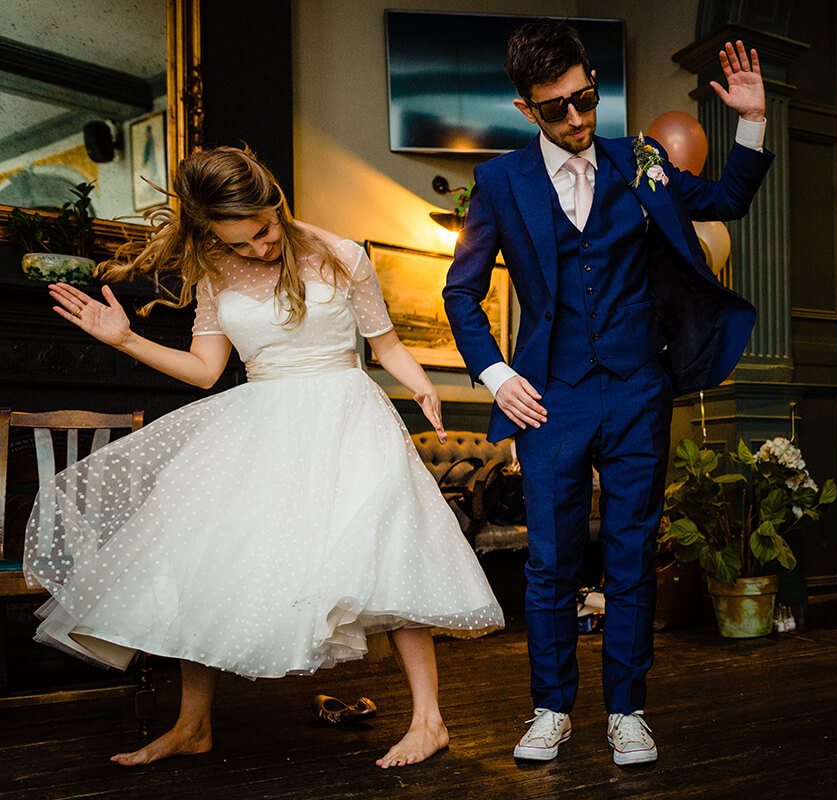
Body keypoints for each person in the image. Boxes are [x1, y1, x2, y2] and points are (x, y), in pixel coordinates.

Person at [26, 146, 503, 768]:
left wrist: (419, 382)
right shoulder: (216, 273)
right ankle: (193, 725)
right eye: (239, 242)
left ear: (275, 201)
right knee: (204, 561)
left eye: (263, 231)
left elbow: (384, 344)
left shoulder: (343, 256)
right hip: (259, 424)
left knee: (387, 555)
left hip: (347, 419)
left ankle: (429, 721)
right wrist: (126, 339)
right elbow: (204, 372)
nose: (258, 249)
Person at [443, 19, 772, 766]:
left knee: (630, 554)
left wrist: (751, 121)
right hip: (550, 396)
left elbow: (726, 199)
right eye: (556, 107)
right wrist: (498, 374)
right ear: (526, 109)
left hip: (637, 390)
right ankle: (552, 708)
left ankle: (628, 710)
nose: (578, 118)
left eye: (586, 97)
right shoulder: (499, 183)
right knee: (552, 563)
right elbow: (461, 294)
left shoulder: (640, 161)